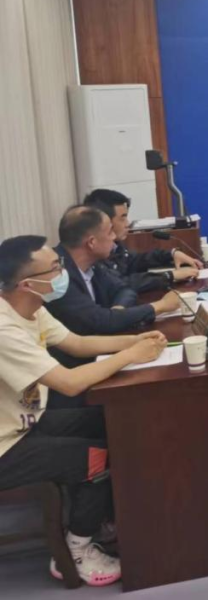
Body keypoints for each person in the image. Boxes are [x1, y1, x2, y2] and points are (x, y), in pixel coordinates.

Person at [0, 235, 168, 586]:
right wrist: (130, 356)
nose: (63, 272)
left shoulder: (30, 306)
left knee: (112, 422)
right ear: (28, 284)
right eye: (55, 268)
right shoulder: (4, 328)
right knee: (97, 458)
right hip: (5, 446)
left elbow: (77, 344)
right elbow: (69, 383)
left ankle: (103, 516)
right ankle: (77, 549)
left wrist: (135, 341)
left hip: (24, 423)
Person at [46, 207, 180, 344]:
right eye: (110, 232)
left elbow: (124, 289)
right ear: (92, 242)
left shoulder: (91, 263)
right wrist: (160, 306)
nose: (114, 237)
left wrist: (117, 312)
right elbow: (99, 321)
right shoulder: (56, 276)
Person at [83, 189, 203, 294]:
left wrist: (171, 254)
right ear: (104, 221)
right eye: (122, 218)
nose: (127, 223)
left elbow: (134, 260)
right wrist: (169, 276)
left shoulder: (115, 246)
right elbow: (120, 283)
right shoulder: (95, 254)